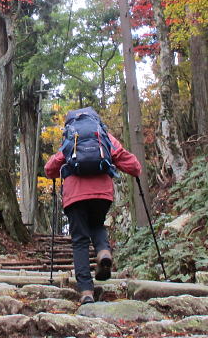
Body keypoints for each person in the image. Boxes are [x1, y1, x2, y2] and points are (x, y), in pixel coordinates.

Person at [44, 128, 141, 304]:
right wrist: (136, 170)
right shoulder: (102, 136)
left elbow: (51, 168)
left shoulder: (71, 139)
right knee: (97, 224)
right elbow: (127, 161)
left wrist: (53, 170)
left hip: (74, 196)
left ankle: (86, 291)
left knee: (80, 241)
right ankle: (104, 251)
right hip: (101, 194)